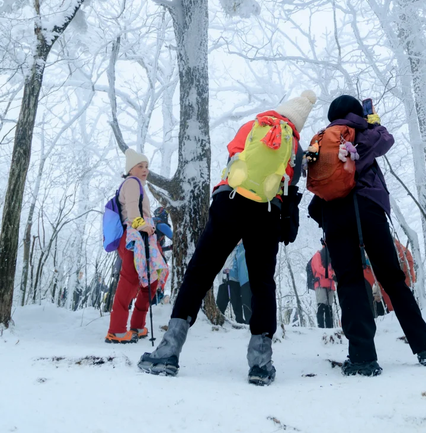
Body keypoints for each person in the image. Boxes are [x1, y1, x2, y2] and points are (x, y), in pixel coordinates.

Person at [138, 90, 316, 385]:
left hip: (229, 201)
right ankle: (260, 364)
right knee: (262, 283)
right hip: (267, 211)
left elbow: (233, 156)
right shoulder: (294, 145)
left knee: (200, 272)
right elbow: (289, 186)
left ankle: (167, 353)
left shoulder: (253, 126)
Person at [308, 95, 426, 376]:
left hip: (334, 213)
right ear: (357, 112)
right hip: (367, 207)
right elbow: (386, 139)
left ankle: (362, 357)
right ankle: (424, 347)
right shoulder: (364, 132)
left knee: (349, 281)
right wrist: (372, 122)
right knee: (392, 277)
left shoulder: (324, 139)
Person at [105, 148, 168, 343]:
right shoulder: (131, 183)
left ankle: (137, 325)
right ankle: (116, 330)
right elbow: (133, 212)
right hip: (134, 235)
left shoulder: (138, 184)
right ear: (130, 169)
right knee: (131, 279)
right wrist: (143, 225)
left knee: (152, 277)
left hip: (143, 236)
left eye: (146, 166)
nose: (145, 170)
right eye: (140, 166)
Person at [217, 242, 252, 324]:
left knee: (238, 302)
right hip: (224, 279)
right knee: (221, 302)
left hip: (236, 280)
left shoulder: (239, 249)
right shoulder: (234, 251)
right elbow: (235, 268)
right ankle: (219, 319)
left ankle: (241, 321)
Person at [307, 239, 336, 328]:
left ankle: (329, 327)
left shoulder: (332, 256)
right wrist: (332, 275)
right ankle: (321, 328)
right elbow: (318, 268)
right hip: (320, 284)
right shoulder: (318, 255)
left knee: (329, 307)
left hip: (330, 284)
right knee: (321, 306)